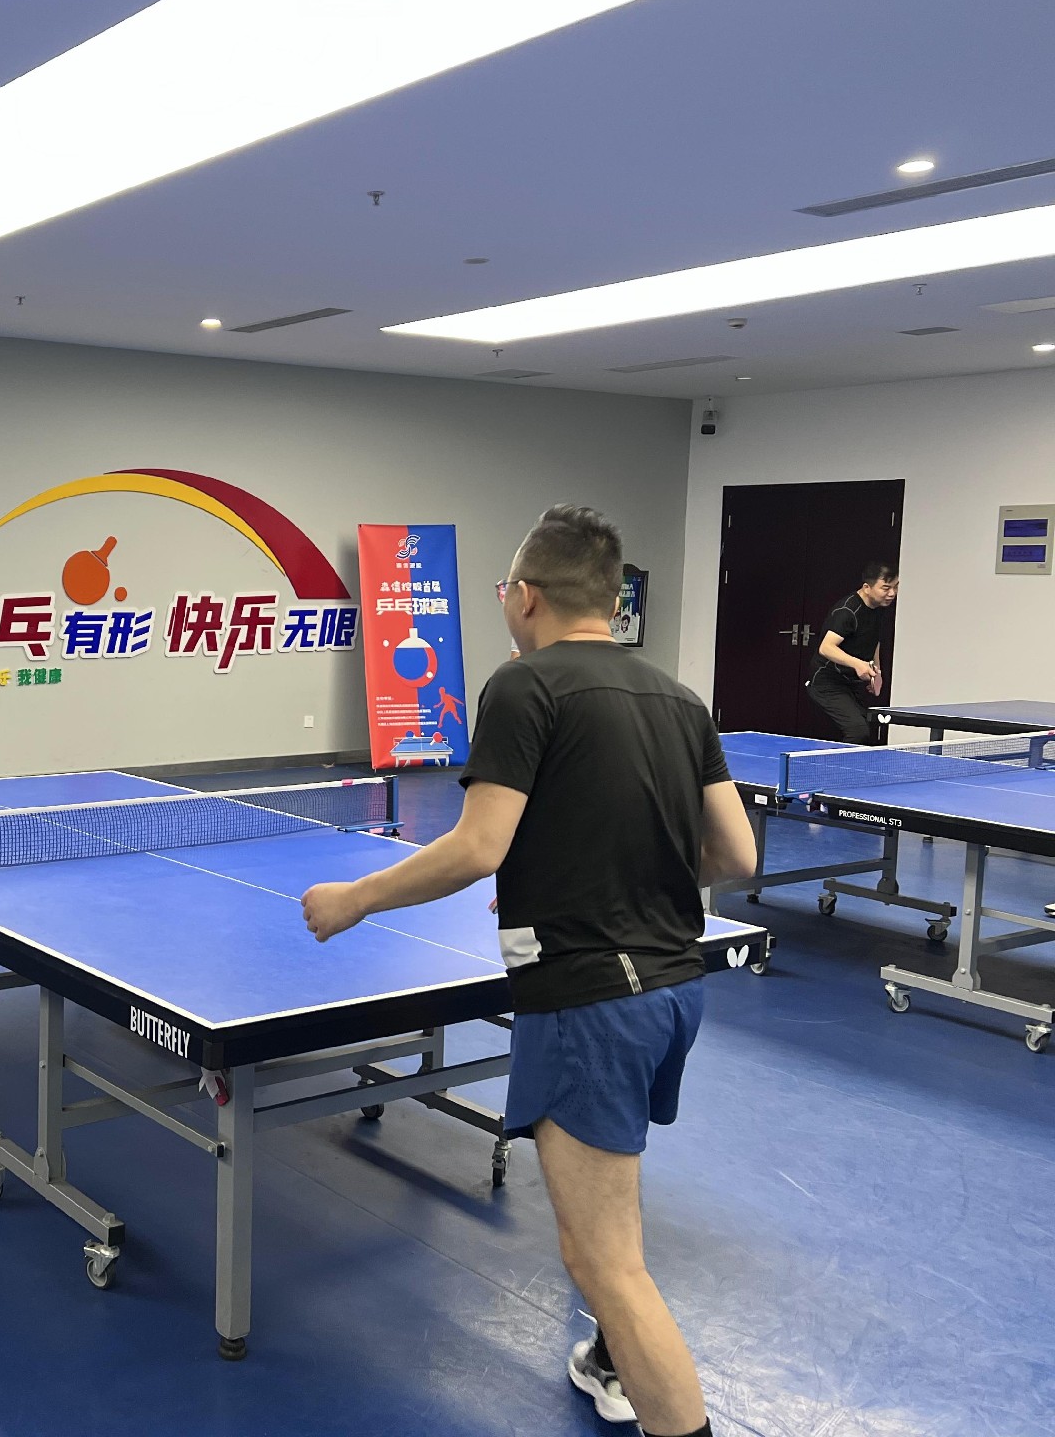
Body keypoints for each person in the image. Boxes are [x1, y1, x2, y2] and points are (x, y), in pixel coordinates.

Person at [301, 506, 756, 1437]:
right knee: (609, 1206)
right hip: (674, 988)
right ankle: (610, 1357)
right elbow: (735, 854)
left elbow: (478, 847)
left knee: (606, 1264)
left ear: (529, 597)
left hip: (590, 1001)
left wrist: (356, 898)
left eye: (505, 587)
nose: (503, 600)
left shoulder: (524, 684)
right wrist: (604, 879)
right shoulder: (679, 698)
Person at [807, 561, 899, 744]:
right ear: (867, 587)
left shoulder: (878, 608)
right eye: (886, 588)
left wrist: (877, 671)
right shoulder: (847, 611)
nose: (892, 593)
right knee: (858, 731)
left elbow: (874, 640)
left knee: (869, 729)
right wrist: (858, 664)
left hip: (850, 683)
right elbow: (826, 647)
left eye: (896, 587)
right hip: (827, 681)